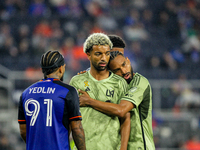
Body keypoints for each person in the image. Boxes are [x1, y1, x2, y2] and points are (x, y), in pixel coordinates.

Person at [78, 37, 155, 150]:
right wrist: (90, 75)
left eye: (122, 60)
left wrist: (90, 101)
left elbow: (121, 110)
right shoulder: (110, 85)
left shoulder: (139, 83)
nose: (123, 71)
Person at [69, 33, 130, 150]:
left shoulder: (119, 83)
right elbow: (70, 119)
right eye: (98, 54)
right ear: (88, 55)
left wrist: (123, 148)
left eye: (107, 54)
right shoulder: (77, 81)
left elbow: (125, 118)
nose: (103, 58)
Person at [18, 50, 86, 150]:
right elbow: (77, 128)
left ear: (42, 70)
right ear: (61, 68)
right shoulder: (68, 91)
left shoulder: (26, 93)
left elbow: (23, 131)